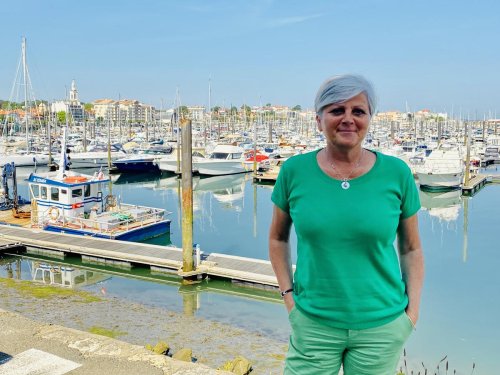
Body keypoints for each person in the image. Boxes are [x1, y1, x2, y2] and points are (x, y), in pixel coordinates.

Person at [269, 74, 424, 375]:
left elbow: (412, 249)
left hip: (382, 326)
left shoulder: (397, 173)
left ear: (369, 119)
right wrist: (288, 297)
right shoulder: (293, 172)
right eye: (337, 110)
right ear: (319, 120)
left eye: (358, 111)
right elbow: (277, 239)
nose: (348, 119)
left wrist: (412, 314)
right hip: (313, 322)